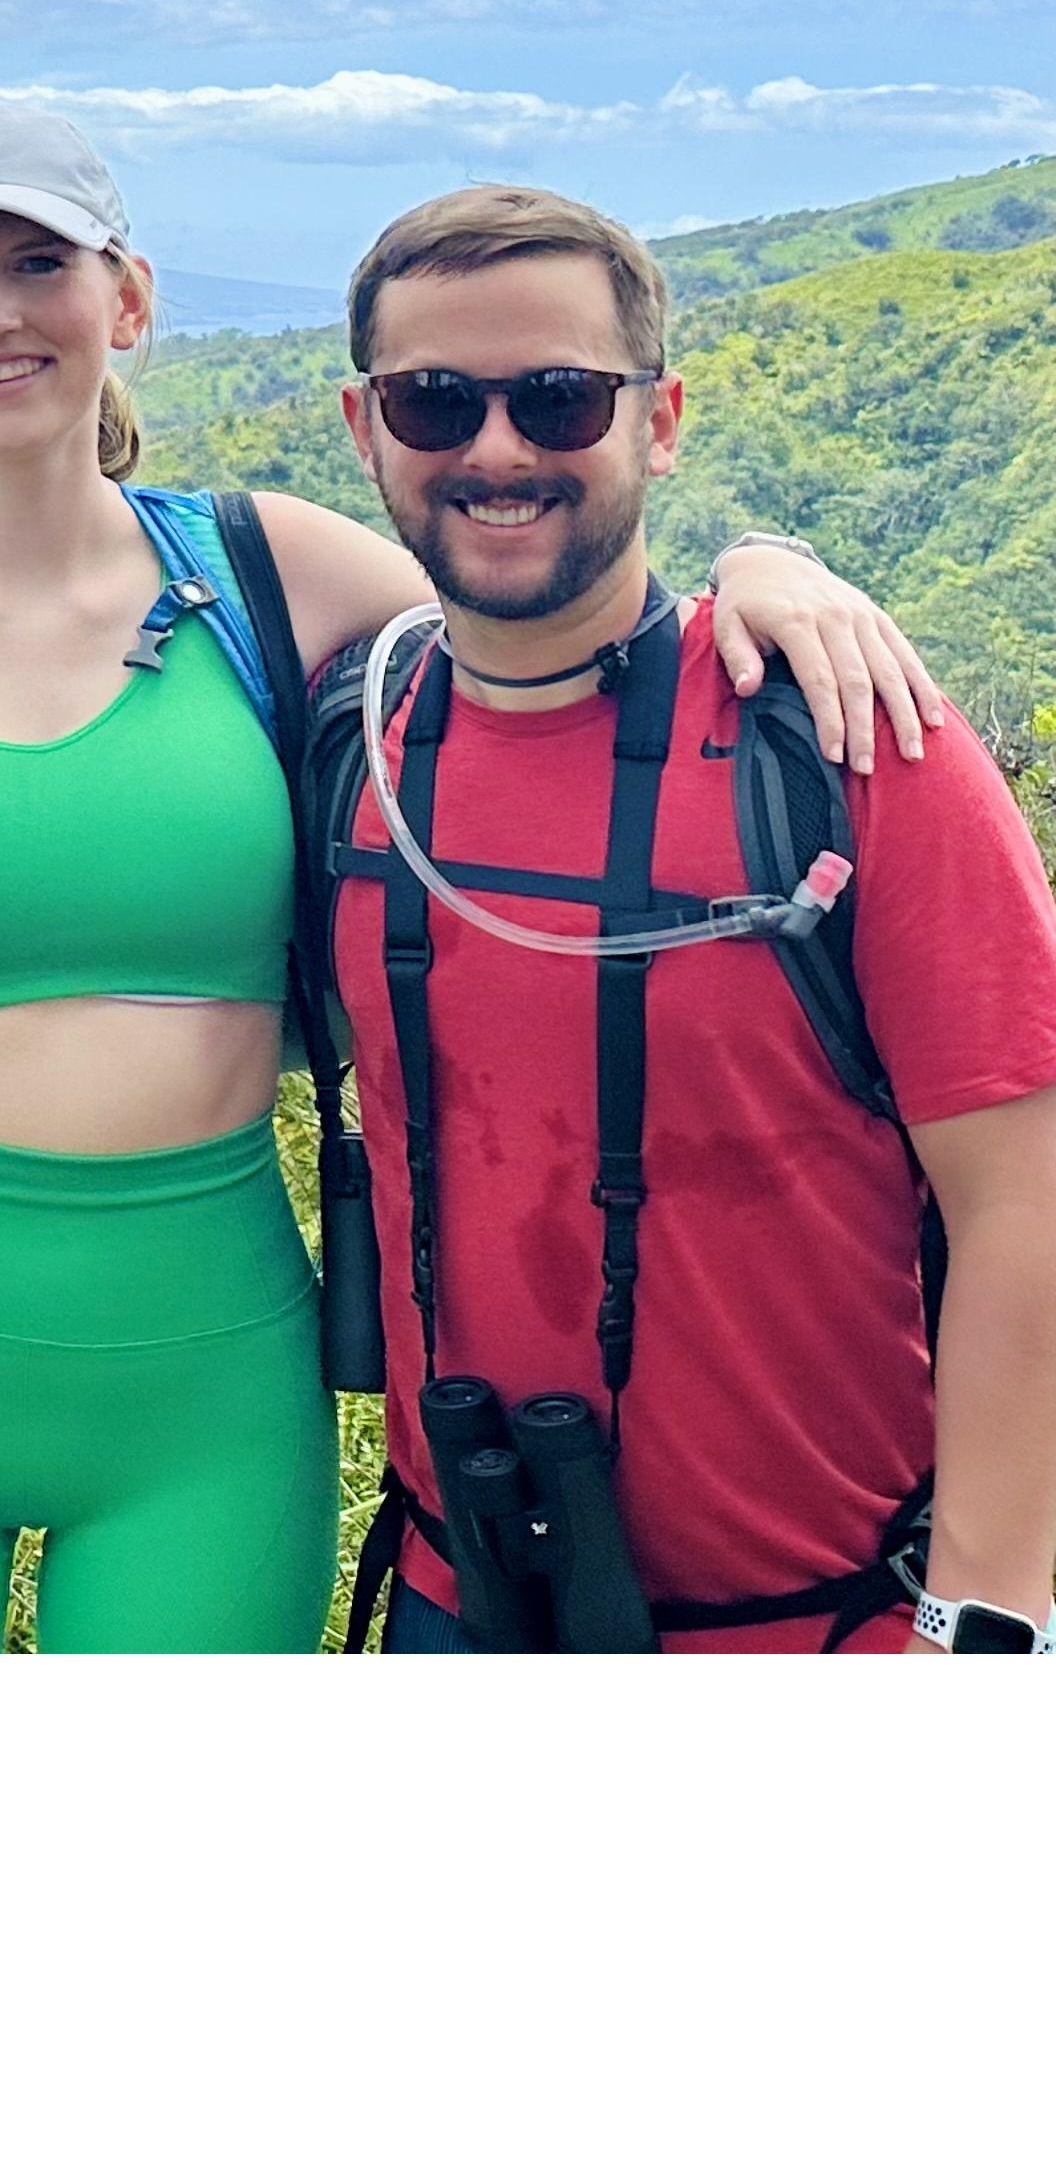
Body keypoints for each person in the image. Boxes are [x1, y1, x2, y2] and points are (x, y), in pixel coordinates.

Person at [0, 100, 935, 1655]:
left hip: (201, 1369)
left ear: (126, 298)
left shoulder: (270, 579)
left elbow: (556, 606)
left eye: (37, 263)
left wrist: (766, 565)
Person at [322, 184, 1056, 1651]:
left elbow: (1023, 1200)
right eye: (434, 402)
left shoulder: (850, 747)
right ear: (365, 431)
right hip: (456, 1600)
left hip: (824, 1631)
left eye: (561, 398)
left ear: (658, 424)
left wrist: (987, 1621)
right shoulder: (350, 743)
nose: (498, 449)